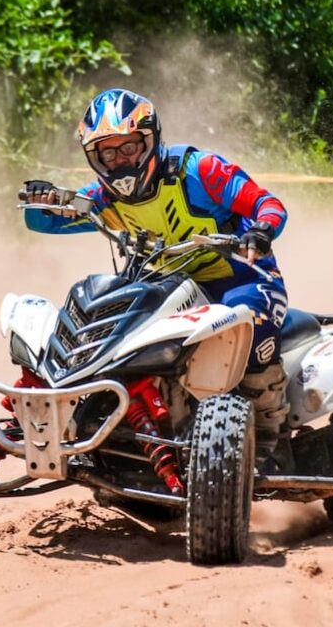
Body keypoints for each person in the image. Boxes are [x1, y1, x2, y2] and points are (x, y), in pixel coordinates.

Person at [22, 88, 290, 463]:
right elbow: (43, 222)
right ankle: (108, 420)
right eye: (108, 153)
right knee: (107, 322)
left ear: (150, 139)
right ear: (94, 157)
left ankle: (268, 441)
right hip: (168, 287)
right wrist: (44, 198)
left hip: (240, 277)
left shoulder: (200, 170)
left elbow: (268, 203)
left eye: (129, 147)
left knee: (248, 318)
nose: (121, 160)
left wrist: (261, 230)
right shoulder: (103, 196)